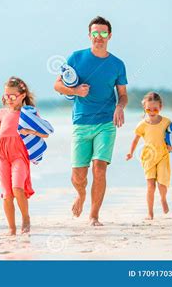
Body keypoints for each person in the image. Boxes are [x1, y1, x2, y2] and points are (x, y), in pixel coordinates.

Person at [54, 16, 128, 226]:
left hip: (106, 122)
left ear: (110, 35)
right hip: (81, 122)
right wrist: (75, 90)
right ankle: (81, 195)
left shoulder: (117, 64)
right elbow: (57, 85)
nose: (99, 37)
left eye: (103, 33)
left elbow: (123, 94)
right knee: (78, 175)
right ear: (89, 36)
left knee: (99, 168)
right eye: (95, 33)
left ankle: (94, 215)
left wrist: (120, 107)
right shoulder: (76, 58)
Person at [0, 77, 47, 235]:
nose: (9, 99)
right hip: (2, 154)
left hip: (19, 153)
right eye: (6, 96)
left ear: (22, 95)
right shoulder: (1, 112)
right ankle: (11, 228)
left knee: (17, 187)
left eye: (12, 96)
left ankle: (26, 218)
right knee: (7, 194)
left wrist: (31, 132)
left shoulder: (29, 113)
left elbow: (45, 133)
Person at [126, 92, 172, 220]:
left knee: (162, 183)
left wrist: (171, 146)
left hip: (163, 155)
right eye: (148, 109)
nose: (152, 112)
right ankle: (150, 212)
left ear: (160, 107)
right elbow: (135, 140)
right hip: (148, 157)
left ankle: (163, 199)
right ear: (144, 108)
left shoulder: (166, 122)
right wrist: (130, 152)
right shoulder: (142, 124)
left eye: (155, 109)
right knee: (151, 186)